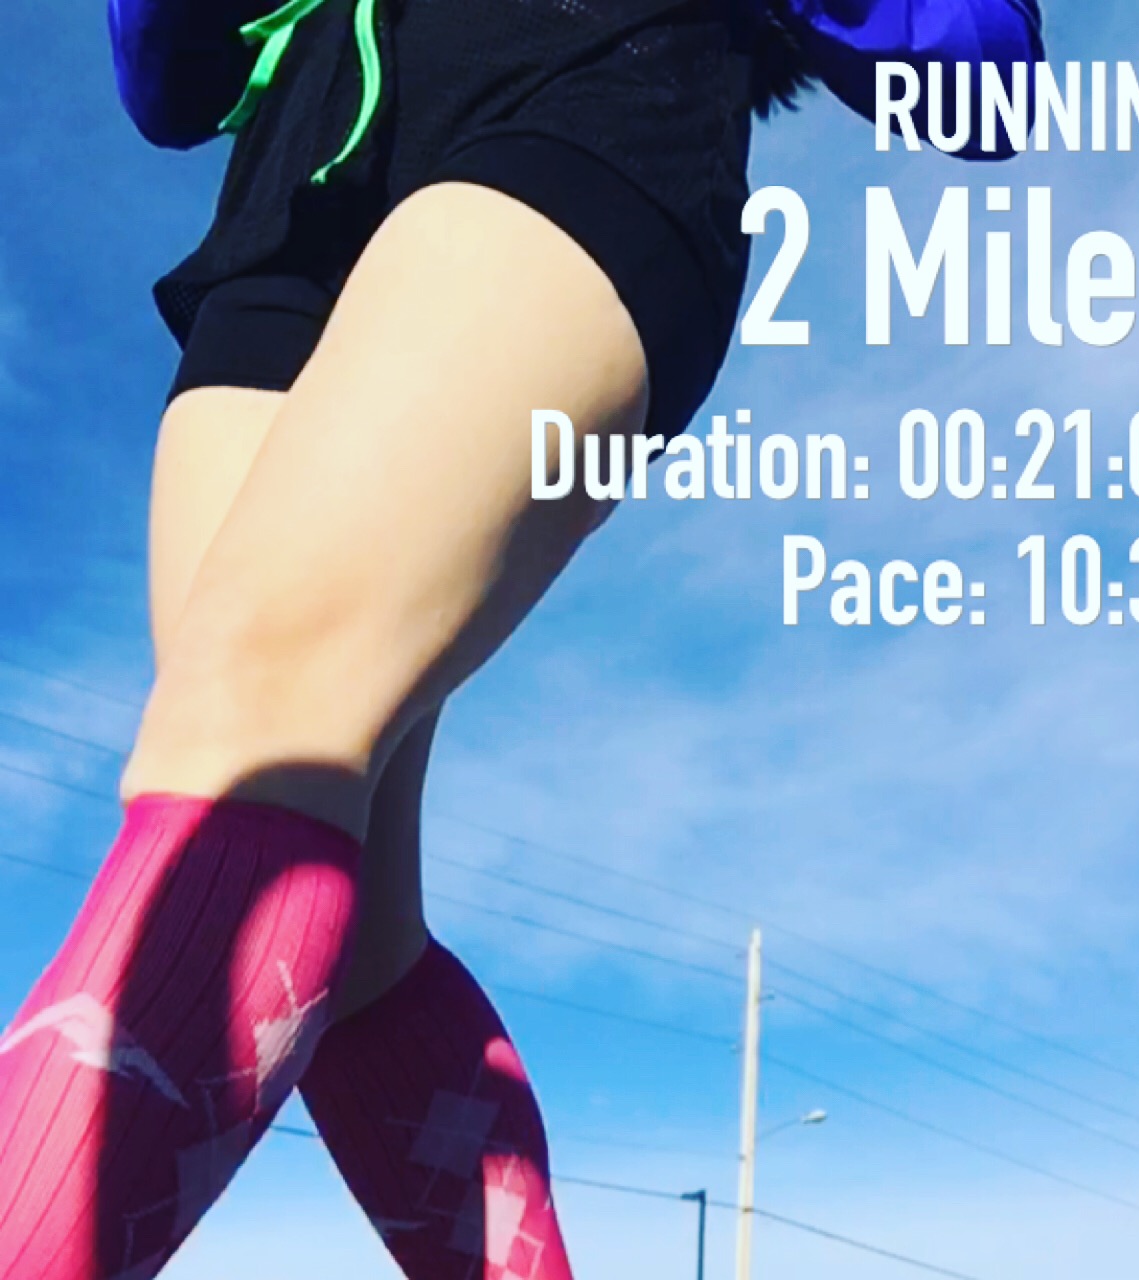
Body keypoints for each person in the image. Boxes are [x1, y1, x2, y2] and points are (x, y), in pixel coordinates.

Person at [0, 0, 1039, 1274]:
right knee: (353, 937)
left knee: (252, 739)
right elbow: (171, 85)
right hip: (296, 191)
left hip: (581, 87)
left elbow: (984, 75)